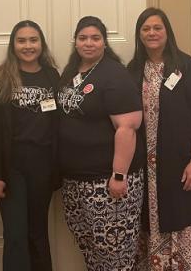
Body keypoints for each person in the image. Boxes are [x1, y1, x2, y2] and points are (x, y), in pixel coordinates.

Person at [128, 7, 191, 270]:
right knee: (151, 221)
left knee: (184, 216)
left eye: (157, 27)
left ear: (167, 32)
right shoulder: (132, 70)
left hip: (183, 163)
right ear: (139, 35)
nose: (152, 33)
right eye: (146, 28)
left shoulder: (184, 65)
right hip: (147, 168)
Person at [57, 15, 145, 271]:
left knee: (114, 253)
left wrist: (119, 175)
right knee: (90, 246)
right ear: (75, 42)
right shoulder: (71, 72)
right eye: (83, 38)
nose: (89, 43)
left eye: (95, 38)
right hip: (75, 180)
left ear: (105, 43)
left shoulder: (114, 74)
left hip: (107, 182)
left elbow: (127, 128)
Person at [0, 20, 60, 271]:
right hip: (11, 166)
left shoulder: (52, 76)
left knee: (37, 232)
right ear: (13, 45)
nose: (28, 46)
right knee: (15, 234)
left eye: (33, 40)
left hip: (43, 166)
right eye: (22, 40)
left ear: (41, 44)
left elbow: (60, 123)